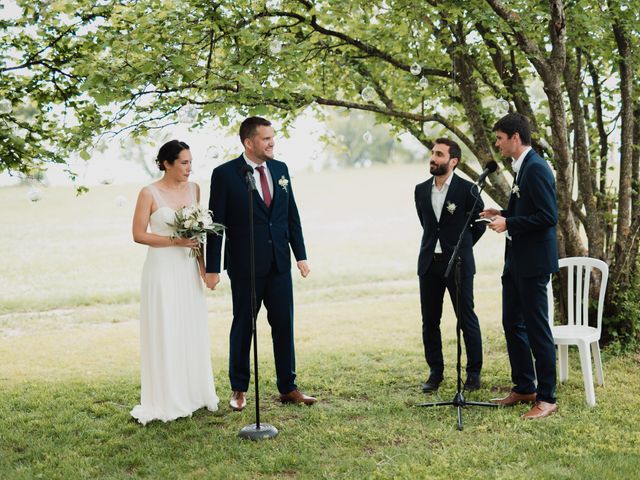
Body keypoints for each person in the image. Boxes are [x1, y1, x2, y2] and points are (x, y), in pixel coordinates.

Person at [205, 116, 316, 411]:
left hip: (280, 263)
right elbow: (216, 225)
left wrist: (300, 255)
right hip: (245, 266)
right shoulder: (225, 174)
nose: (272, 143)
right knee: (243, 326)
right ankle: (239, 389)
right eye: (266, 138)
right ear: (249, 142)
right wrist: (212, 268)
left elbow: (291, 214)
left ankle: (288, 388)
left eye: (272, 137)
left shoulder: (281, 170)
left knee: (284, 326)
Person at [130, 140, 219, 424]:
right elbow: (138, 234)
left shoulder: (194, 189)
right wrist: (175, 241)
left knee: (189, 327)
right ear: (166, 163)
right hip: (162, 270)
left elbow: (199, 235)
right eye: (183, 162)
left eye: (191, 162)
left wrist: (206, 269)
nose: (189, 168)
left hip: (187, 269)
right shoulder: (149, 193)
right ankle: (167, 397)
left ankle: (194, 393)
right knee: (167, 328)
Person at [480, 112, 559, 419]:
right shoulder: (522, 167)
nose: (497, 144)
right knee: (512, 323)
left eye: (499, 138)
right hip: (515, 261)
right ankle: (525, 386)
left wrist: (508, 222)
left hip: (533, 263)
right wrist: (499, 212)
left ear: (515, 137)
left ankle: (547, 397)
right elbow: (527, 208)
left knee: (537, 329)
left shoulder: (536, 168)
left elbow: (547, 217)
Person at [415, 138, 486, 394]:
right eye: (433, 153)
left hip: (458, 264)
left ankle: (473, 374)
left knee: (466, 318)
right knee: (430, 321)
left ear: (453, 161)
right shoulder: (420, 190)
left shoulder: (468, 190)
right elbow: (426, 224)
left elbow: (478, 225)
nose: (433, 158)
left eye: (439, 154)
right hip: (429, 265)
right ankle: (435, 372)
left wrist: (460, 248)